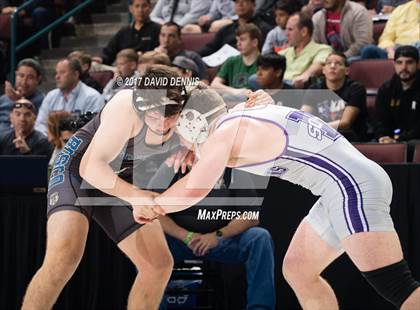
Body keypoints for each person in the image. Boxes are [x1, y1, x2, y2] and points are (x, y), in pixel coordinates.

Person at [140, 85, 420, 310]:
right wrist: (195, 147)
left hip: (352, 187)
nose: (175, 137)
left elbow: (194, 189)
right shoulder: (241, 114)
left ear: (192, 123)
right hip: (342, 186)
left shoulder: (223, 136)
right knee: (299, 270)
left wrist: (150, 205)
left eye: (176, 129)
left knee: (397, 286)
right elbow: (228, 110)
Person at [21, 65, 191, 310]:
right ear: (141, 105)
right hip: (79, 167)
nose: (163, 124)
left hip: (120, 172)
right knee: (64, 257)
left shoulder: (196, 104)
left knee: (158, 265)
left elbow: (233, 110)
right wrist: (135, 195)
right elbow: (91, 168)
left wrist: (256, 101)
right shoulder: (125, 107)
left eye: (170, 117)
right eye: (154, 116)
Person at [301, 51, 368, 141]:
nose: (332, 66)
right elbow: (304, 117)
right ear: (323, 70)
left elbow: (345, 122)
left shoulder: (355, 89)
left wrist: (318, 128)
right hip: (319, 138)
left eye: (338, 63)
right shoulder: (314, 89)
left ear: (347, 70)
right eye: (329, 63)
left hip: (349, 140)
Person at [34, 57, 104, 136]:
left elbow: (93, 129)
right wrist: (54, 138)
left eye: (62, 72)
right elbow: (40, 125)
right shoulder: (51, 96)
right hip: (50, 143)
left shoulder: (92, 97)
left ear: (75, 74)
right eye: (56, 73)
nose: (57, 77)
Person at [374, 46, 420, 146]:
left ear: (418, 64)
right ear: (394, 64)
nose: (404, 67)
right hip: (390, 139)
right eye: (399, 63)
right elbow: (380, 120)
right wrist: (383, 136)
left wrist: (400, 139)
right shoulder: (386, 89)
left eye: (409, 62)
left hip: (415, 140)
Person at [97, 0, 161, 66]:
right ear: (131, 9)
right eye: (137, 6)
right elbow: (109, 52)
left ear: (150, 8)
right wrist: (101, 59)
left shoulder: (158, 29)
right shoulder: (124, 31)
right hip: (124, 70)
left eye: (144, 6)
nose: (140, 10)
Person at [280, 12, 332, 88]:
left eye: (290, 30)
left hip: (299, 89)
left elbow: (318, 66)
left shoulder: (323, 49)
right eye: (286, 29)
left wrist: (305, 76)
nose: (286, 34)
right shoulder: (283, 53)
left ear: (304, 31)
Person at [211, 23, 261, 98]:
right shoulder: (231, 60)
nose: (238, 44)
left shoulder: (264, 62)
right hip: (233, 101)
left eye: (242, 40)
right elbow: (214, 84)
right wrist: (235, 91)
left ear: (254, 42)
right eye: (237, 40)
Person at [0, 58, 44, 131]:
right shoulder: (4, 99)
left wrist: (18, 100)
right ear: (16, 75)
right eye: (21, 75)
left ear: (38, 79)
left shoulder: (42, 101)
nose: (24, 82)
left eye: (30, 77)